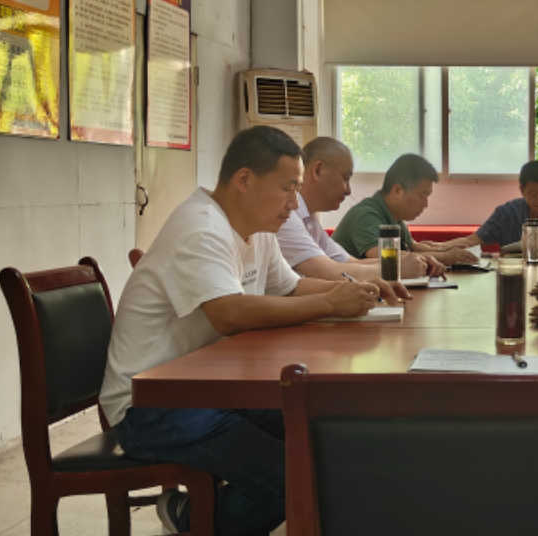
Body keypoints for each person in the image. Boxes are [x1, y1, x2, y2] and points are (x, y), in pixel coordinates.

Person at [101, 126, 381, 536]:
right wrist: (330, 303)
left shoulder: (258, 230)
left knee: (320, 431)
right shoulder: (201, 228)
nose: (294, 203)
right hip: (149, 406)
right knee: (285, 479)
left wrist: (358, 291)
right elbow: (228, 313)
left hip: (210, 390)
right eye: (288, 188)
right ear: (245, 180)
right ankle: (186, 518)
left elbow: (291, 287)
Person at [276, 138, 444, 299]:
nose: (348, 191)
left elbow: (350, 263)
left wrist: (410, 261)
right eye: (345, 179)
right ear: (318, 170)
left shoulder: (309, 219)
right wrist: (396, 268)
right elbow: (330, 273)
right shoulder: (286, 217)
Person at [331, 154, 480, 266]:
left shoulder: (393, 215)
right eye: (422, 196)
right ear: (397, 191)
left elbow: (412, 248)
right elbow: (386, 257)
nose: (425, 204)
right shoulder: (365, 216)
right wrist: (444, 257)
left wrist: (446, 249)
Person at [431, 160, 538, 254]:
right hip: (515, 277)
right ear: (522, 191)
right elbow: (471, 241)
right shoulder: (506, 213)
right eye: (533, 194)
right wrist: (436, 248)